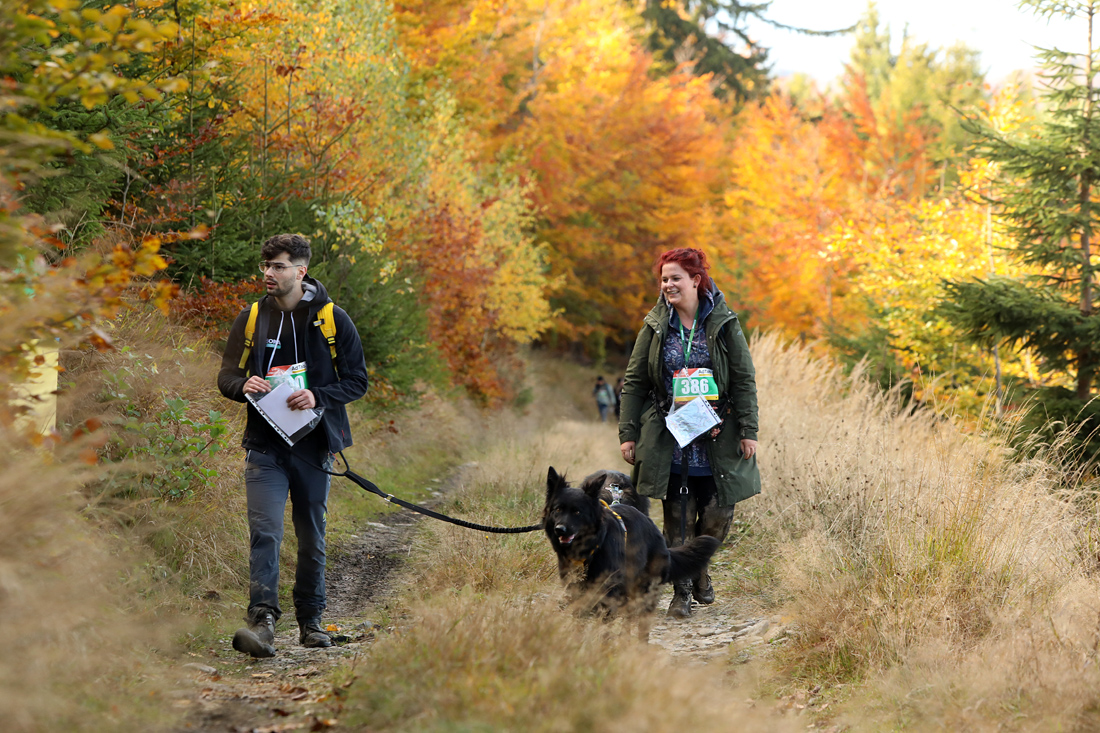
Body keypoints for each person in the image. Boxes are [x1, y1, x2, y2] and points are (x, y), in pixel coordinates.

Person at [218, 233, 369, 657]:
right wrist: (242, 385)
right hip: (264, 447)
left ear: (301, 271)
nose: (268, 273)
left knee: (311, 536)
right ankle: (262, 622)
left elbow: (358, 381)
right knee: (265, 532)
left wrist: (317, 395)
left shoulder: (332, 319)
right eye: (265, 265)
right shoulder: (251, 318)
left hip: (313, 449)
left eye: (278, 266)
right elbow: (226, 376)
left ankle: (311, 621)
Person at [617, 247, 760, 618]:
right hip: (672, 435)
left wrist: (748, 429)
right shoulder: (655, 325)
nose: (668, 285)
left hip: (717, 435)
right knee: (677, 519)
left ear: (696, 280)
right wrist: (628, 432)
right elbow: (635, 381)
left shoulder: (724, 323)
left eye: (675, 278)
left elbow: (743, 379)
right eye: (664, 279)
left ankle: (699, 568)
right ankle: (681, 594)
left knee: (717, 516)